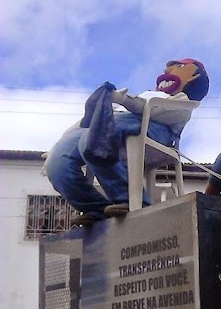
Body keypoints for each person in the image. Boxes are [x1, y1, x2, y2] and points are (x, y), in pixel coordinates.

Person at [45, 59, 209, 226]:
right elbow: (86, 122)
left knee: (96, 137)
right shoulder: (147, 93)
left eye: (180, 67)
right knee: (57, 162)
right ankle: (95, 207)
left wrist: (124, 100)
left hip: (154, 128)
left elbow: (159, 110)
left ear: (194, 77)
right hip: (114, 119)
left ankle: (133, 202)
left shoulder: (183, 102)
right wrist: (57, 145)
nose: (168, 70)